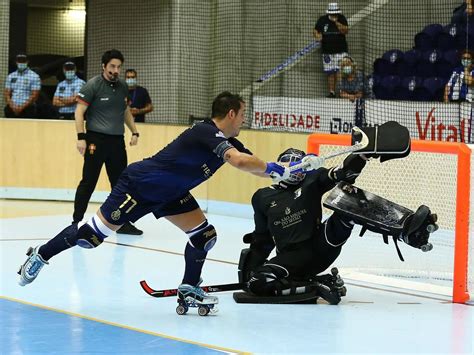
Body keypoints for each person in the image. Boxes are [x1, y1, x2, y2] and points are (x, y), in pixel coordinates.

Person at [17, 91, 291, 312]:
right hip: (140, 186)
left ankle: (189, 289)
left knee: (204, 236)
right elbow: (242, 163)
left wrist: (293, 169)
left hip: (170, 194)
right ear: (231, 113)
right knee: (90, 238)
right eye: (243, 114)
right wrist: (277, 169)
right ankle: (41, 254)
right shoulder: (205, 132)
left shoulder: (232, 141)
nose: (244, 120)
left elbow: (257, 166)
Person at [238, 148, 436, 304]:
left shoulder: (312, 179)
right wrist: (251, 270)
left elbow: (344, 173)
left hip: (321, 246)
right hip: (290, 259)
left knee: (346, 198)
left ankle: (406, 229)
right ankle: (314, 285)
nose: (297, 171)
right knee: (259, 283)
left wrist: (363, 154)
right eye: (291, 166)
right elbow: (262, 238)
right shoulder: (262, 197)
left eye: (300, 167)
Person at [73, 49, 142, 235]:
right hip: (95, 139)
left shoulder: (122, 87)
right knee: (89, 181)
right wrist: (81, 137)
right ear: (104, 66)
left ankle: (122, 223)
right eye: (112, 66)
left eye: (118, 67)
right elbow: (79, 112)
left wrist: (134, 131)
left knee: (120, 183)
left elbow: (125, 111)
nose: (116, 70)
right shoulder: (92, 85)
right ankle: (76, 222)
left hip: (116, 141)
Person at [313, 2, 349, 98]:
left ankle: (342, 91)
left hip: (340, 50)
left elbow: (345, 30)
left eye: (335, 13)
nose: (334, 15)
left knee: (341, 71)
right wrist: (317, 36)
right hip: (327, 51)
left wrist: (336, 22)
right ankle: (332, 92)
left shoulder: (341, 18)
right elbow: (316, 30)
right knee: (330, 72)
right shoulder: (322, 20)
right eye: (332, 14)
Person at [3, 54, 41, 118]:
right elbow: (7, 94)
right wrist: (12, 106)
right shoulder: (11, 76)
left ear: (27, 62)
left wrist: (21, 107)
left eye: (23, 61)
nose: (21, 63)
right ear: (16, 62)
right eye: (19, 61)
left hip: (28, 108)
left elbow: (35, 95)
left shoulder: (34, 76)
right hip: (12, 108)